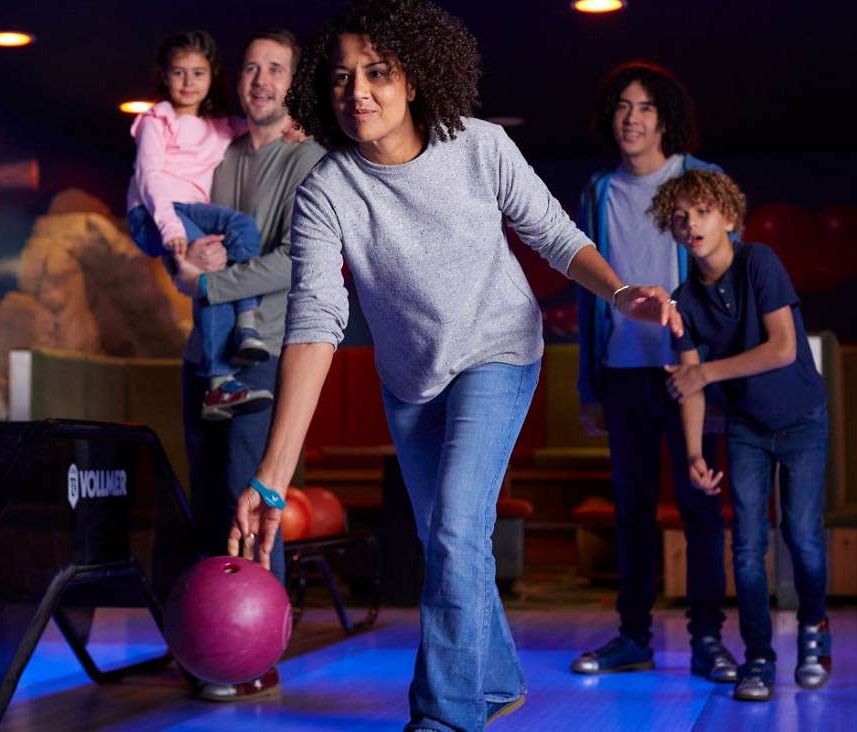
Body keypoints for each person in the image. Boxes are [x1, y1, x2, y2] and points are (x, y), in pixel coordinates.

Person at [227, 2, 681, 729]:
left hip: (499, 350)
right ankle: (495, 678)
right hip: (411, 379)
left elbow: (556, 237)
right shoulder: (327, 192)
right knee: (448, 530)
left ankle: (441, 715)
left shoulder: (479, 146)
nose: (358, 92)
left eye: (378, 73)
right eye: (342, 78)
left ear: (415, 79)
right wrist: (272, 481)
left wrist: (623, 292)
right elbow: (314, 323)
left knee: (456, 531)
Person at [171, 27, 326, 702]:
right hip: (203, 356)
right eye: (251, 68)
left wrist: (208, 285)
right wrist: (185, 264)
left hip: (262, 359)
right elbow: (177, 224)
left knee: (250, 492)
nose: (260, 79)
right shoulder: (219, 151)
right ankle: (210, 643)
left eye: (276, 70)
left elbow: (295, 262)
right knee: (207, 498)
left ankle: (256, 648)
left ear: (295, 84)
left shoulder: (311, 157)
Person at [571, 61, 736, 683]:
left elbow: (730, 277)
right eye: (621, 106)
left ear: (664, 118)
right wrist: (589, 384)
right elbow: (587, 296)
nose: (631, 118)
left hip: (688, 375)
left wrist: (715, 372)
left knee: (699, 509)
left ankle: (707, 642)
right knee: (631, 511)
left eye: (643, 108)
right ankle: (633, 637)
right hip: (623, 374)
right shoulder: (596, 193)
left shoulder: (701, 180)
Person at [651, 168, 832, 702]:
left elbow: (782, 349)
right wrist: (692, 454)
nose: (691, 224)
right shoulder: (682, 302)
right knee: (749, 549)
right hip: (747, 429)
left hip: (802, 420)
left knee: (802, 539)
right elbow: (688, 384)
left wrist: (705, 372)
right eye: (680, 217)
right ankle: (759, 658)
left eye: (702, 212)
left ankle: (814, 633)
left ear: (728, 218)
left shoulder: (760, 262)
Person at [126, 31, 272, 420]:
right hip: (152, 212)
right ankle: (219, 385)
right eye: (179, 73)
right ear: (165, 76)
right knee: (209, 274)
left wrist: (294, 127)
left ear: (211, 77)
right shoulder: (157, 120)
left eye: (197, 73)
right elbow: (149, 176)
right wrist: (169, 225)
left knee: (242, 226)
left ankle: (246, 322)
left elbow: (261, 123)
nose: (188, 82)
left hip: (193, 210)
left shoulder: (219, 127)